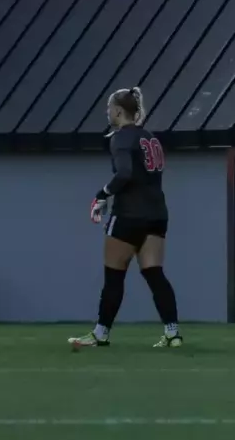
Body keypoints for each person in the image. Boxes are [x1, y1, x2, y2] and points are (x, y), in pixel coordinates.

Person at [70, 86, 181, 350]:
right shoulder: (150, 137)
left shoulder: (120, 138)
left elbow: (124, 174)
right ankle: (173, 333)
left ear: (118, 111)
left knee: (114, 276)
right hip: (157, 214)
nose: (107, 113)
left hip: (129, 214)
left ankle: (100, 334)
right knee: (154, 274)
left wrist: (102, 194)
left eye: (109, 108)